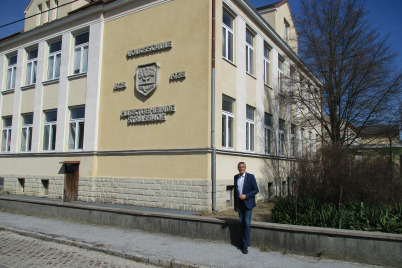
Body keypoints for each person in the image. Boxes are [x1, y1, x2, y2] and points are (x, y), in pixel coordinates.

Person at [234, 162, 259, 254]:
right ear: (238, 168)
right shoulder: (236, 177)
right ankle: (244, 242)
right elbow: (235, 193)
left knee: (247, 223)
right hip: (240, 204)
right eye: (240, 167)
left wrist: (246, 195)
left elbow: (256, 190)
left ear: (245, 168)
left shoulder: (250, 177)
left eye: (243, 167)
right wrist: (235, 204)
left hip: (248, 203)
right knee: (241, 223)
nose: (241, 168)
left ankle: (245, 245)